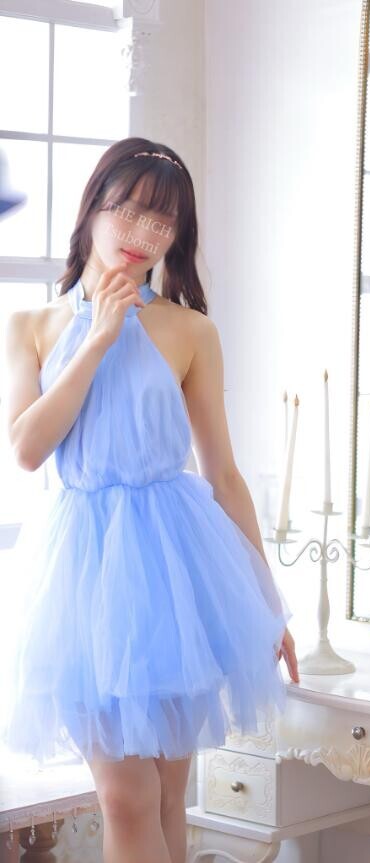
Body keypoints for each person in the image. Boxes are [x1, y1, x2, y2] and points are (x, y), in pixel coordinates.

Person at [0, 137, 299, 863]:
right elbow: (28, 448)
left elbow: (223, 475)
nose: (144, 233)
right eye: (130, 209)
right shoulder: (32, 326)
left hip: (177, 570)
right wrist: (98, 337)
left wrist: (267, 599)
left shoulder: (190, 329)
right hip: (85, 578)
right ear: (92, 207)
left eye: (163, 221)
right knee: (126, 799)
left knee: (167, 797)